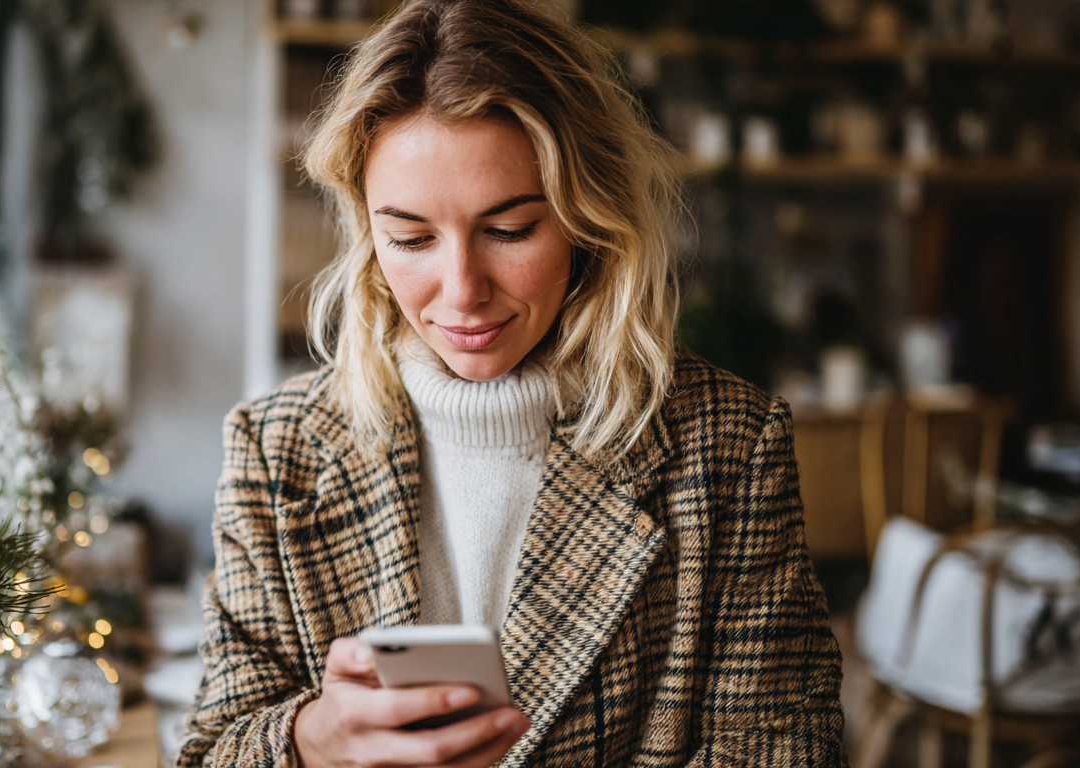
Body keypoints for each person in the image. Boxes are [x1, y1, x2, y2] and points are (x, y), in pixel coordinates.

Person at [177, 0, 847, 765]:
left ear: (588, 217)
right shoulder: (276, 449)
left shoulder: (728, 448)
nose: (462, 290)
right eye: (411, 238)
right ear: (367, 233)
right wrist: (309, 743)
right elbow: (211, 749)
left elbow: (787, 749)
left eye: (509, 230)